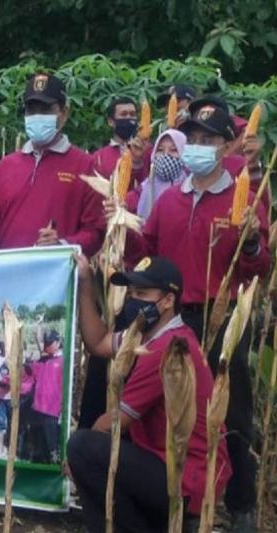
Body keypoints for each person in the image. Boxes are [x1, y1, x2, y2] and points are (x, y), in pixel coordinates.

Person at [120, 106, 269, 531]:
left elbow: (258, 268)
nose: (199, 147)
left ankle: (240, 506)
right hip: (172, 321)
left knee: (230, 413)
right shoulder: (169, 200)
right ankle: (177, 499)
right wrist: (122, 231)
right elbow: (144, 252)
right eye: (194, 139)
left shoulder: (242, 201)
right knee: (172, 409)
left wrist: (254, 244)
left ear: (226, 146)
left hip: (222, 319)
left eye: (208, 140)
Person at [69, 254, 231, 533]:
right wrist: (85, 282)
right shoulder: (147, 336)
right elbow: (98, 342)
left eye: (142, 293)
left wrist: (75, 460)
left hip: (186, 475)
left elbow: (115, 423)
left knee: (83, 448)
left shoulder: (166, 348)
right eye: (130, 293)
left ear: (168, 300)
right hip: (172, 465)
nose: (133, 300)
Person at [0, 73, 104, 256]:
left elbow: (96, 232)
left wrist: (63, 244)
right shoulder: (7, 166)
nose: (38, 116)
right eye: (31, 110)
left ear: (64, 113)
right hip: (9, 272)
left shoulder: (85, 166)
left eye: (45, 110)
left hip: (56, 274)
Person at [126, 128, 187, 220]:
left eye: (173, 150)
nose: (165, 155)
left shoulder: (192, 188)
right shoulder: (143, 189)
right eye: (160, 150)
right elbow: (125, 204)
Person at [91, 97, 151, 184]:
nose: (129, 118)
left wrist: (138, 161)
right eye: (124, 114)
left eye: (132, 114)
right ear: (111, 121)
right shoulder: (99, 157)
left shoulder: (148, 150)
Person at [26, 330, 63, 463]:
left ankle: (54, 463)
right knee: (40, 441)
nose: (47, 345)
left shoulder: (63, 362)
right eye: (46, 342)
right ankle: (42, 462)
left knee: (52, 442)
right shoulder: (42, 361)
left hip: (52, 409)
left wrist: (63, 408)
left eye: (50, 342)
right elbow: (30, 372)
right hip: (38, 407)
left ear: (58, 343)